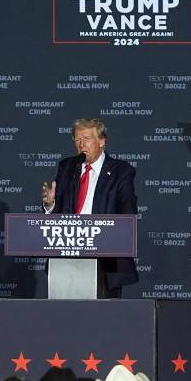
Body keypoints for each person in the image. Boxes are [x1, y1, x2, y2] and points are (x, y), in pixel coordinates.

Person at [40, 118, 138, 297]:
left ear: (102, 141)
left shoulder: (121, 171)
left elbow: (127, 213)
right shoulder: (67, 166)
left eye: (87, 138)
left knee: (104, 319)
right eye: (77, 140)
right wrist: (50, 204)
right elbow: (57, 214)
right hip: (67, 254)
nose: (81, 144)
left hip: (106, 260)